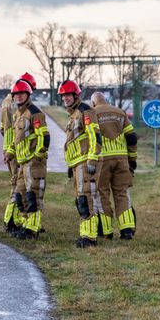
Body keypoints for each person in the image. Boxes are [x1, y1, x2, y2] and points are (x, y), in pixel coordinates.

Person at [85, 91, 138, 240]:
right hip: (121, 159)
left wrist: (90, 160)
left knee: (102, 193)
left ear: (93, 102)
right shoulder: (119, 112)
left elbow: (90, 138)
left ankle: (106, 230)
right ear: (106, 100)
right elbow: (132, 137)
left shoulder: (91, 113)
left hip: (102, 160)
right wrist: (132, 159)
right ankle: (127, 229)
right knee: (121, 193)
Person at [58, 80, 98, 248]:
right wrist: (69, 164)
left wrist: (92, 158)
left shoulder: (85, 111)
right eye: (63, 96)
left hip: (84, 161)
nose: (65, 98)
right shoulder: (73, 114)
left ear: (76, 95)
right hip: (76, 163)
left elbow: (94, 135)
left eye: (68, 95)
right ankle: (85, 233)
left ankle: (90, 237)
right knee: (79, 200)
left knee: (85, 198)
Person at [10, 78, 49, 239]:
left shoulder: (35, 113)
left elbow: (44, 137)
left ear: (28, 94)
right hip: (22, 163)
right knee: (21, 196)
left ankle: (33, 228)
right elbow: (17, 138)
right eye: (16, 94)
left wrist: (38, 155)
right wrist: (10, 152)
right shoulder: (18, 115)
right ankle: (26, 225)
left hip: (34, 162)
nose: (18, 96)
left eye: (22, 93)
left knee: (33, 195)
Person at [1, 72, 37, 233]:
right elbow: (13, 128)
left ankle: (13, 219)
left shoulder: (7, 101)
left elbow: (3, 128)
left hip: (11, 146)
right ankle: (11, 220)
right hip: (15, 147)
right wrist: (12, 148)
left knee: (17, 184)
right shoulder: (14, 104)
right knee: (18, 184)